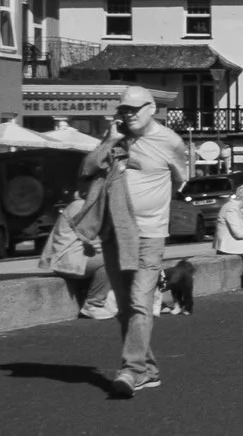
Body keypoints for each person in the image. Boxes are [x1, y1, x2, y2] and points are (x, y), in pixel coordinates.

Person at [80, 88, 194, 397]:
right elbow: (87, 169)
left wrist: (154, 204)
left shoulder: (170, 142)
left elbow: (179, 179)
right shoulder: (116, 138)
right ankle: (148, 370)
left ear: (152, 108)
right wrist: (109, 141)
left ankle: (131, 370)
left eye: (134, 109)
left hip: (149, 234)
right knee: (125, 306)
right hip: (115, 233)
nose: (129, 114)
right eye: (124, 110)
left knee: (140, 301)